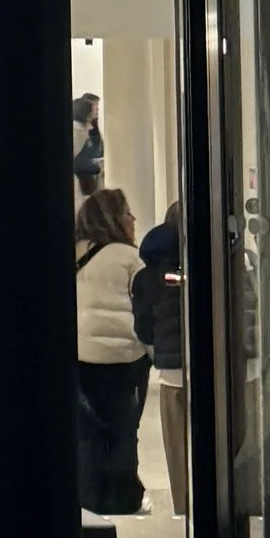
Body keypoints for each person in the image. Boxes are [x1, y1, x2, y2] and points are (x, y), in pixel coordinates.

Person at [75, 184, 149, 513]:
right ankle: (121, 495)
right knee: (123, 428)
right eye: (127, 212)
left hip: (79, 355)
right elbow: (144, 308)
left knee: (88, 430)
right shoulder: (131, 258)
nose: (132, 217)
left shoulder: (72, 251)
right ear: (113, 218)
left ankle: (88, 493)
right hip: (123, 359)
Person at [133, 202, 188, 514]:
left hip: (173, 374)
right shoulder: (227, 262)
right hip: (226, 375)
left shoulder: (148, 276)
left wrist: (159, 352)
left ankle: (184, 512)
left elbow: (144, 328)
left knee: (179, 453)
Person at [71, 92, 106, 201]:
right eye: (95, 107)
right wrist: (96, 166)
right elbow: (77, 159)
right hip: (83, 178)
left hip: (92, 176)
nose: (97, 110)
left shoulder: (89, 128)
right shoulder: (77, 131)